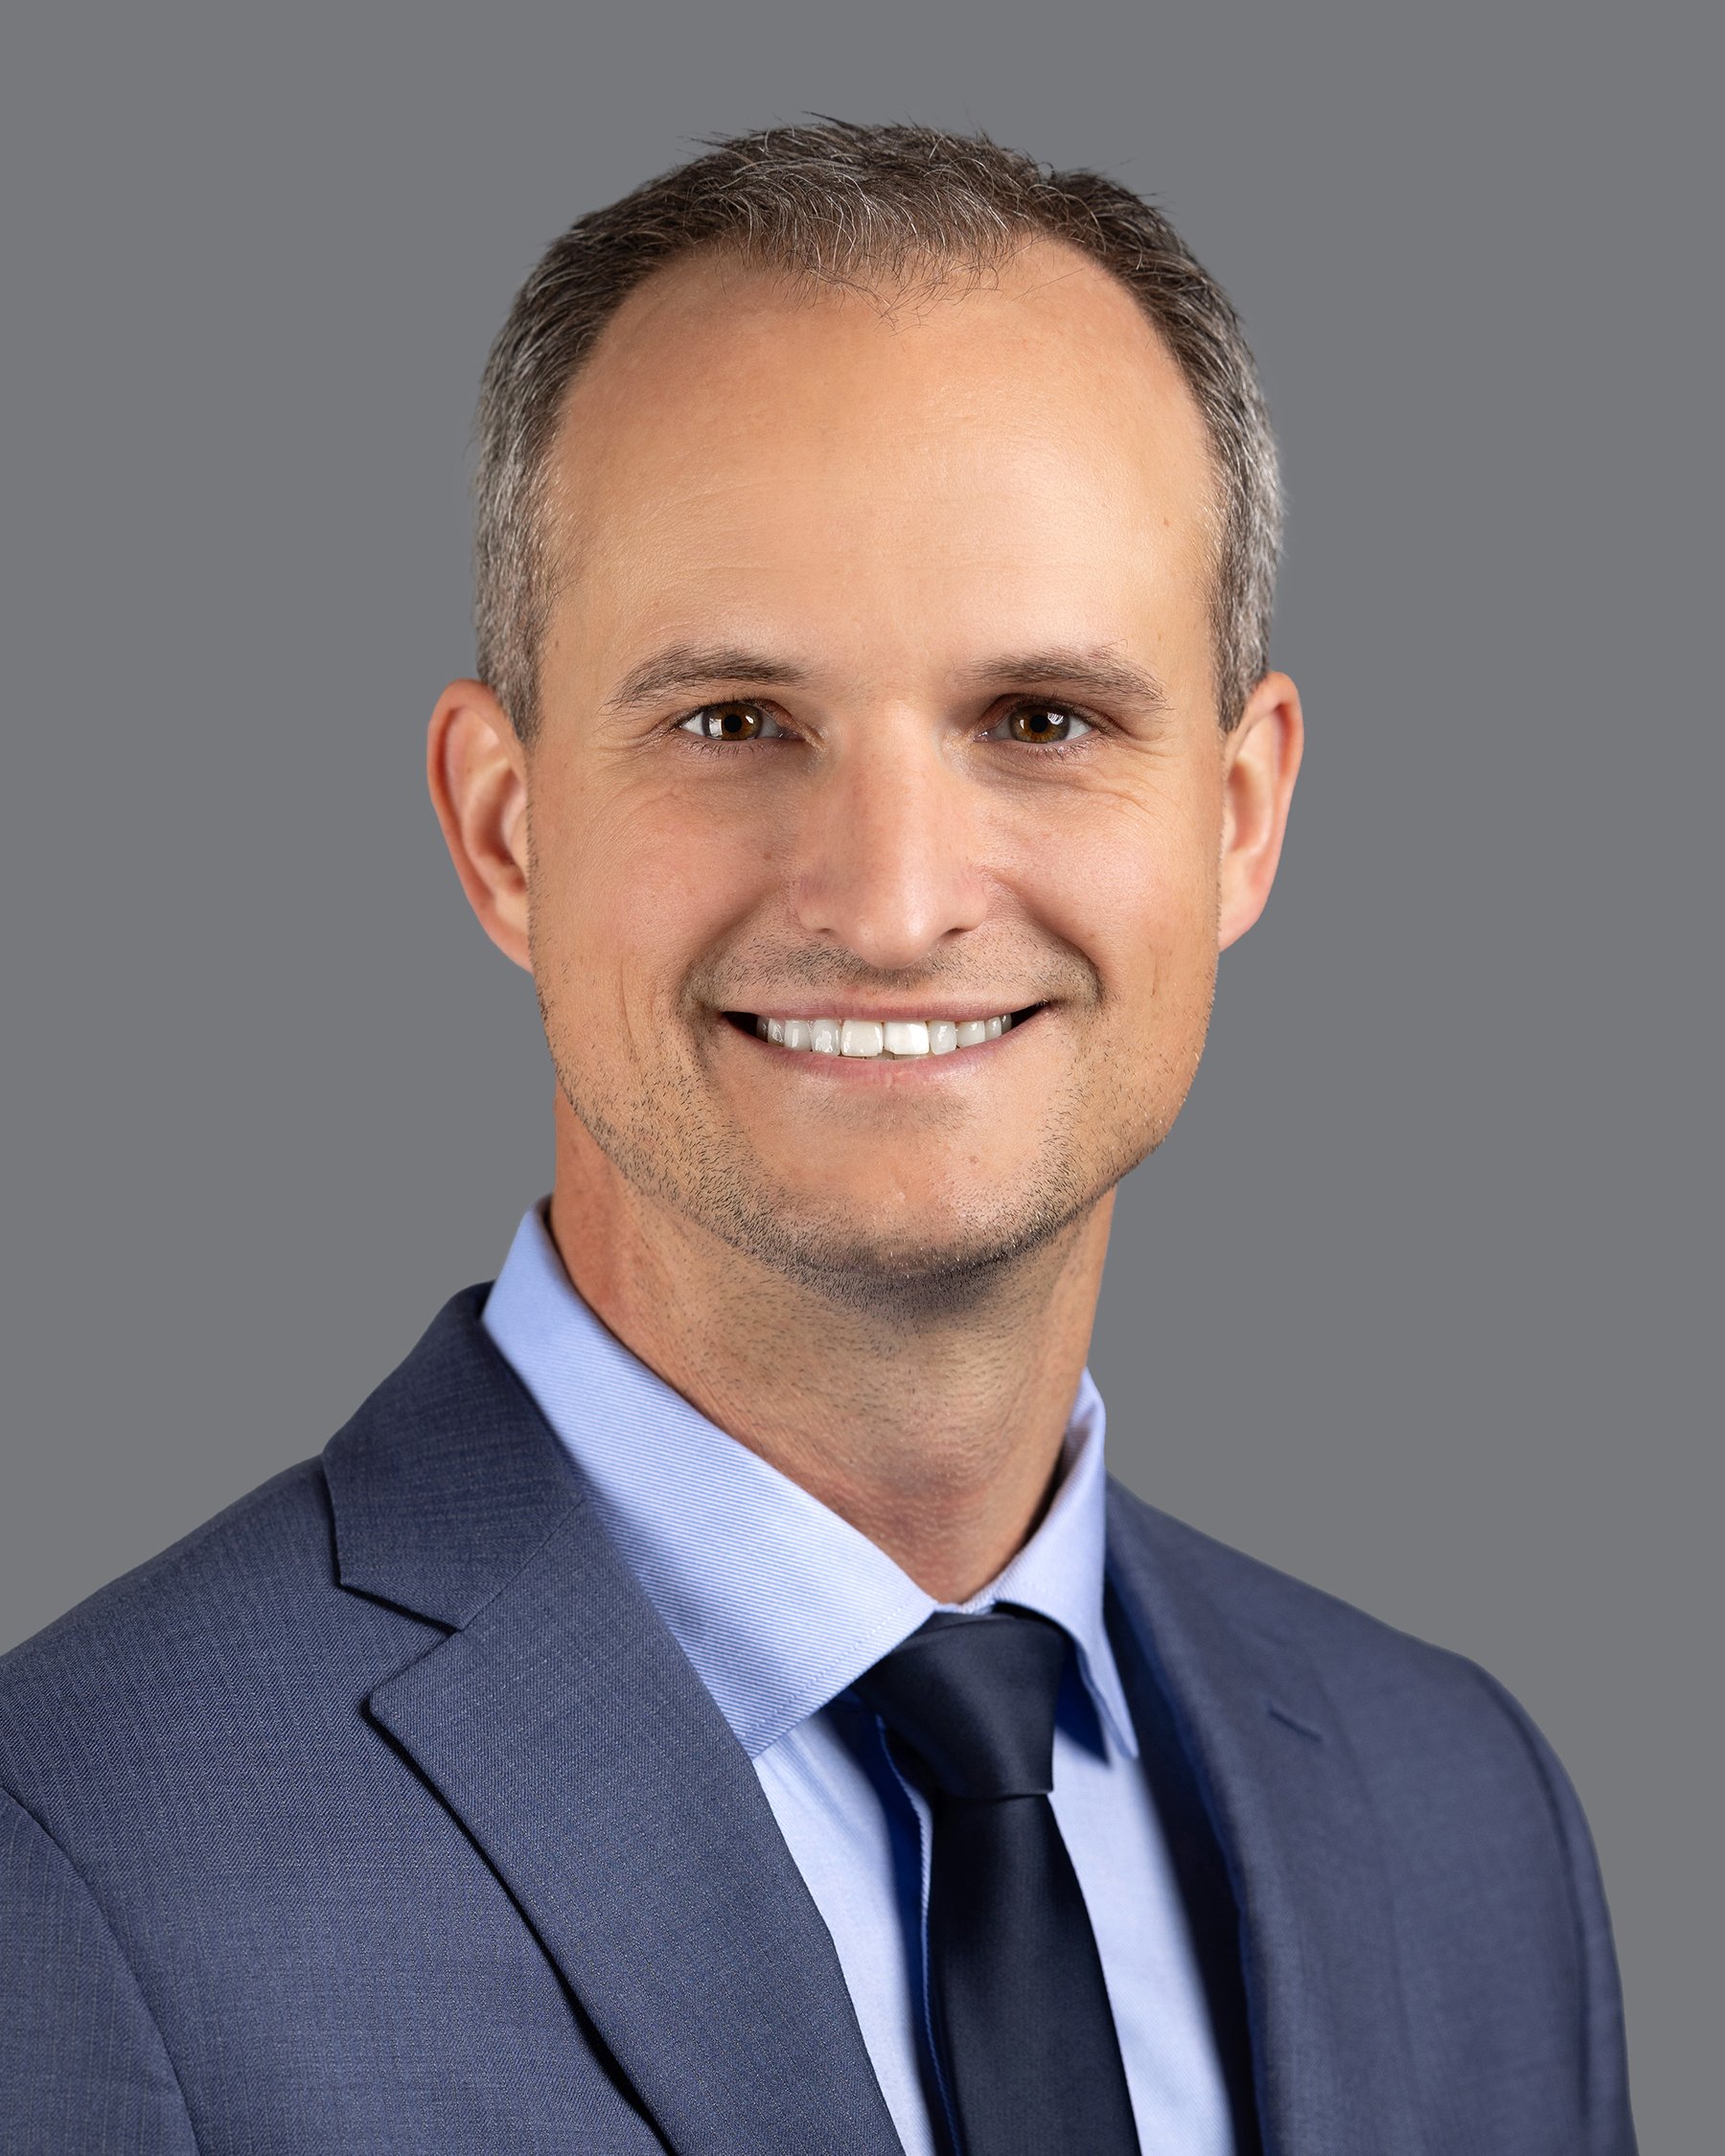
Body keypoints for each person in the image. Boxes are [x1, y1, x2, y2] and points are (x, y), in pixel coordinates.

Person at [0, 122, 1635, 2155]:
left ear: (1238, 819)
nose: (890, 901)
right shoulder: (78, 1867)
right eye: (733, 722)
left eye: (1040, 719)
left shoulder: (1465, 1821)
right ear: (507, 831)